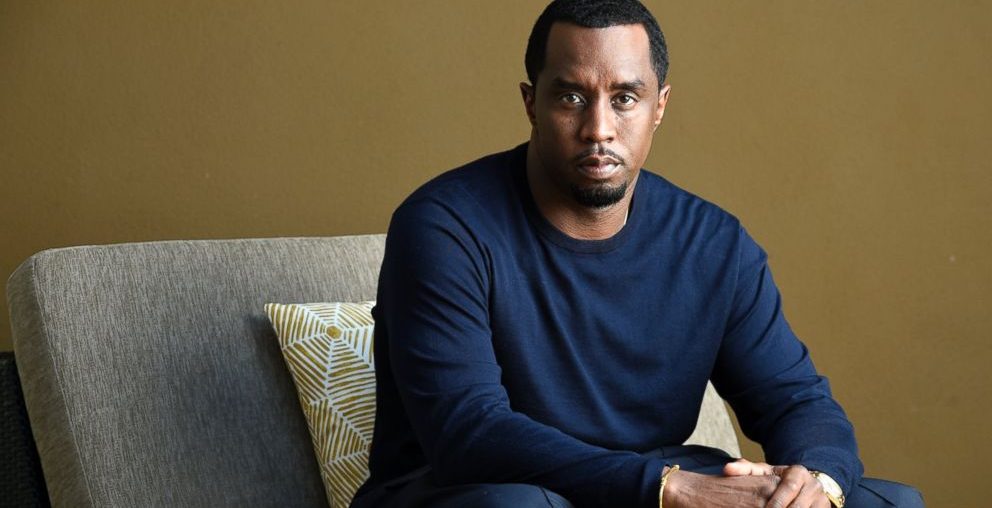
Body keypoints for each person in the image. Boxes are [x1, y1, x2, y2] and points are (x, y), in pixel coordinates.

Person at [352, 1, 923, 506]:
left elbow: (796, 401)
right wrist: (669, 488)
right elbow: (469, 431)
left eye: (624, 98)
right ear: (531, 103)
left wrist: (816, 484)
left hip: (646, 484)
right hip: (475, 489)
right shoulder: (444, 227)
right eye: (571, 97)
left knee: (886, 501)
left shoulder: (713, 244)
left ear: (659, 105)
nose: (598, 128)